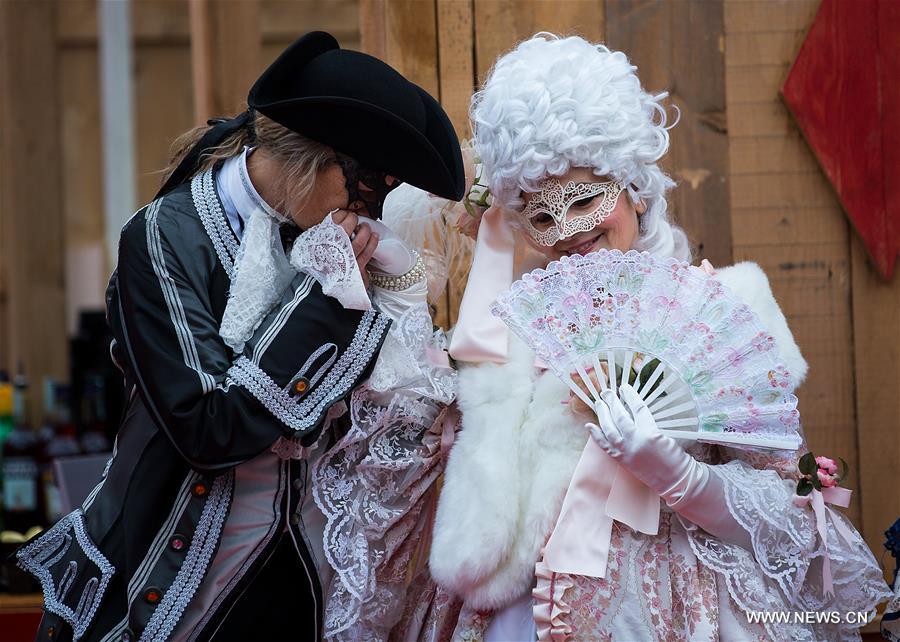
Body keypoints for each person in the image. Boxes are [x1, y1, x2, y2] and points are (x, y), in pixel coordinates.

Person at [400, 33, 891, 641]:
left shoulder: (721, 310)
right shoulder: (511, 333)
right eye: (542, 216)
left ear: (633, 188)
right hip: (522, 614)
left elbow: (788, 523)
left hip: (675, 607)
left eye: (584, 199)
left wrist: (679, 475)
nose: (568, 231)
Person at [17, 31, 464, 642]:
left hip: (297, 576)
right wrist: (324, 303)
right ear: (313, 161)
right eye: (365, 188)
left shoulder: (335, 240)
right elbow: (206, 428)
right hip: (169, 568)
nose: (371, 214)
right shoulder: (163, 237)